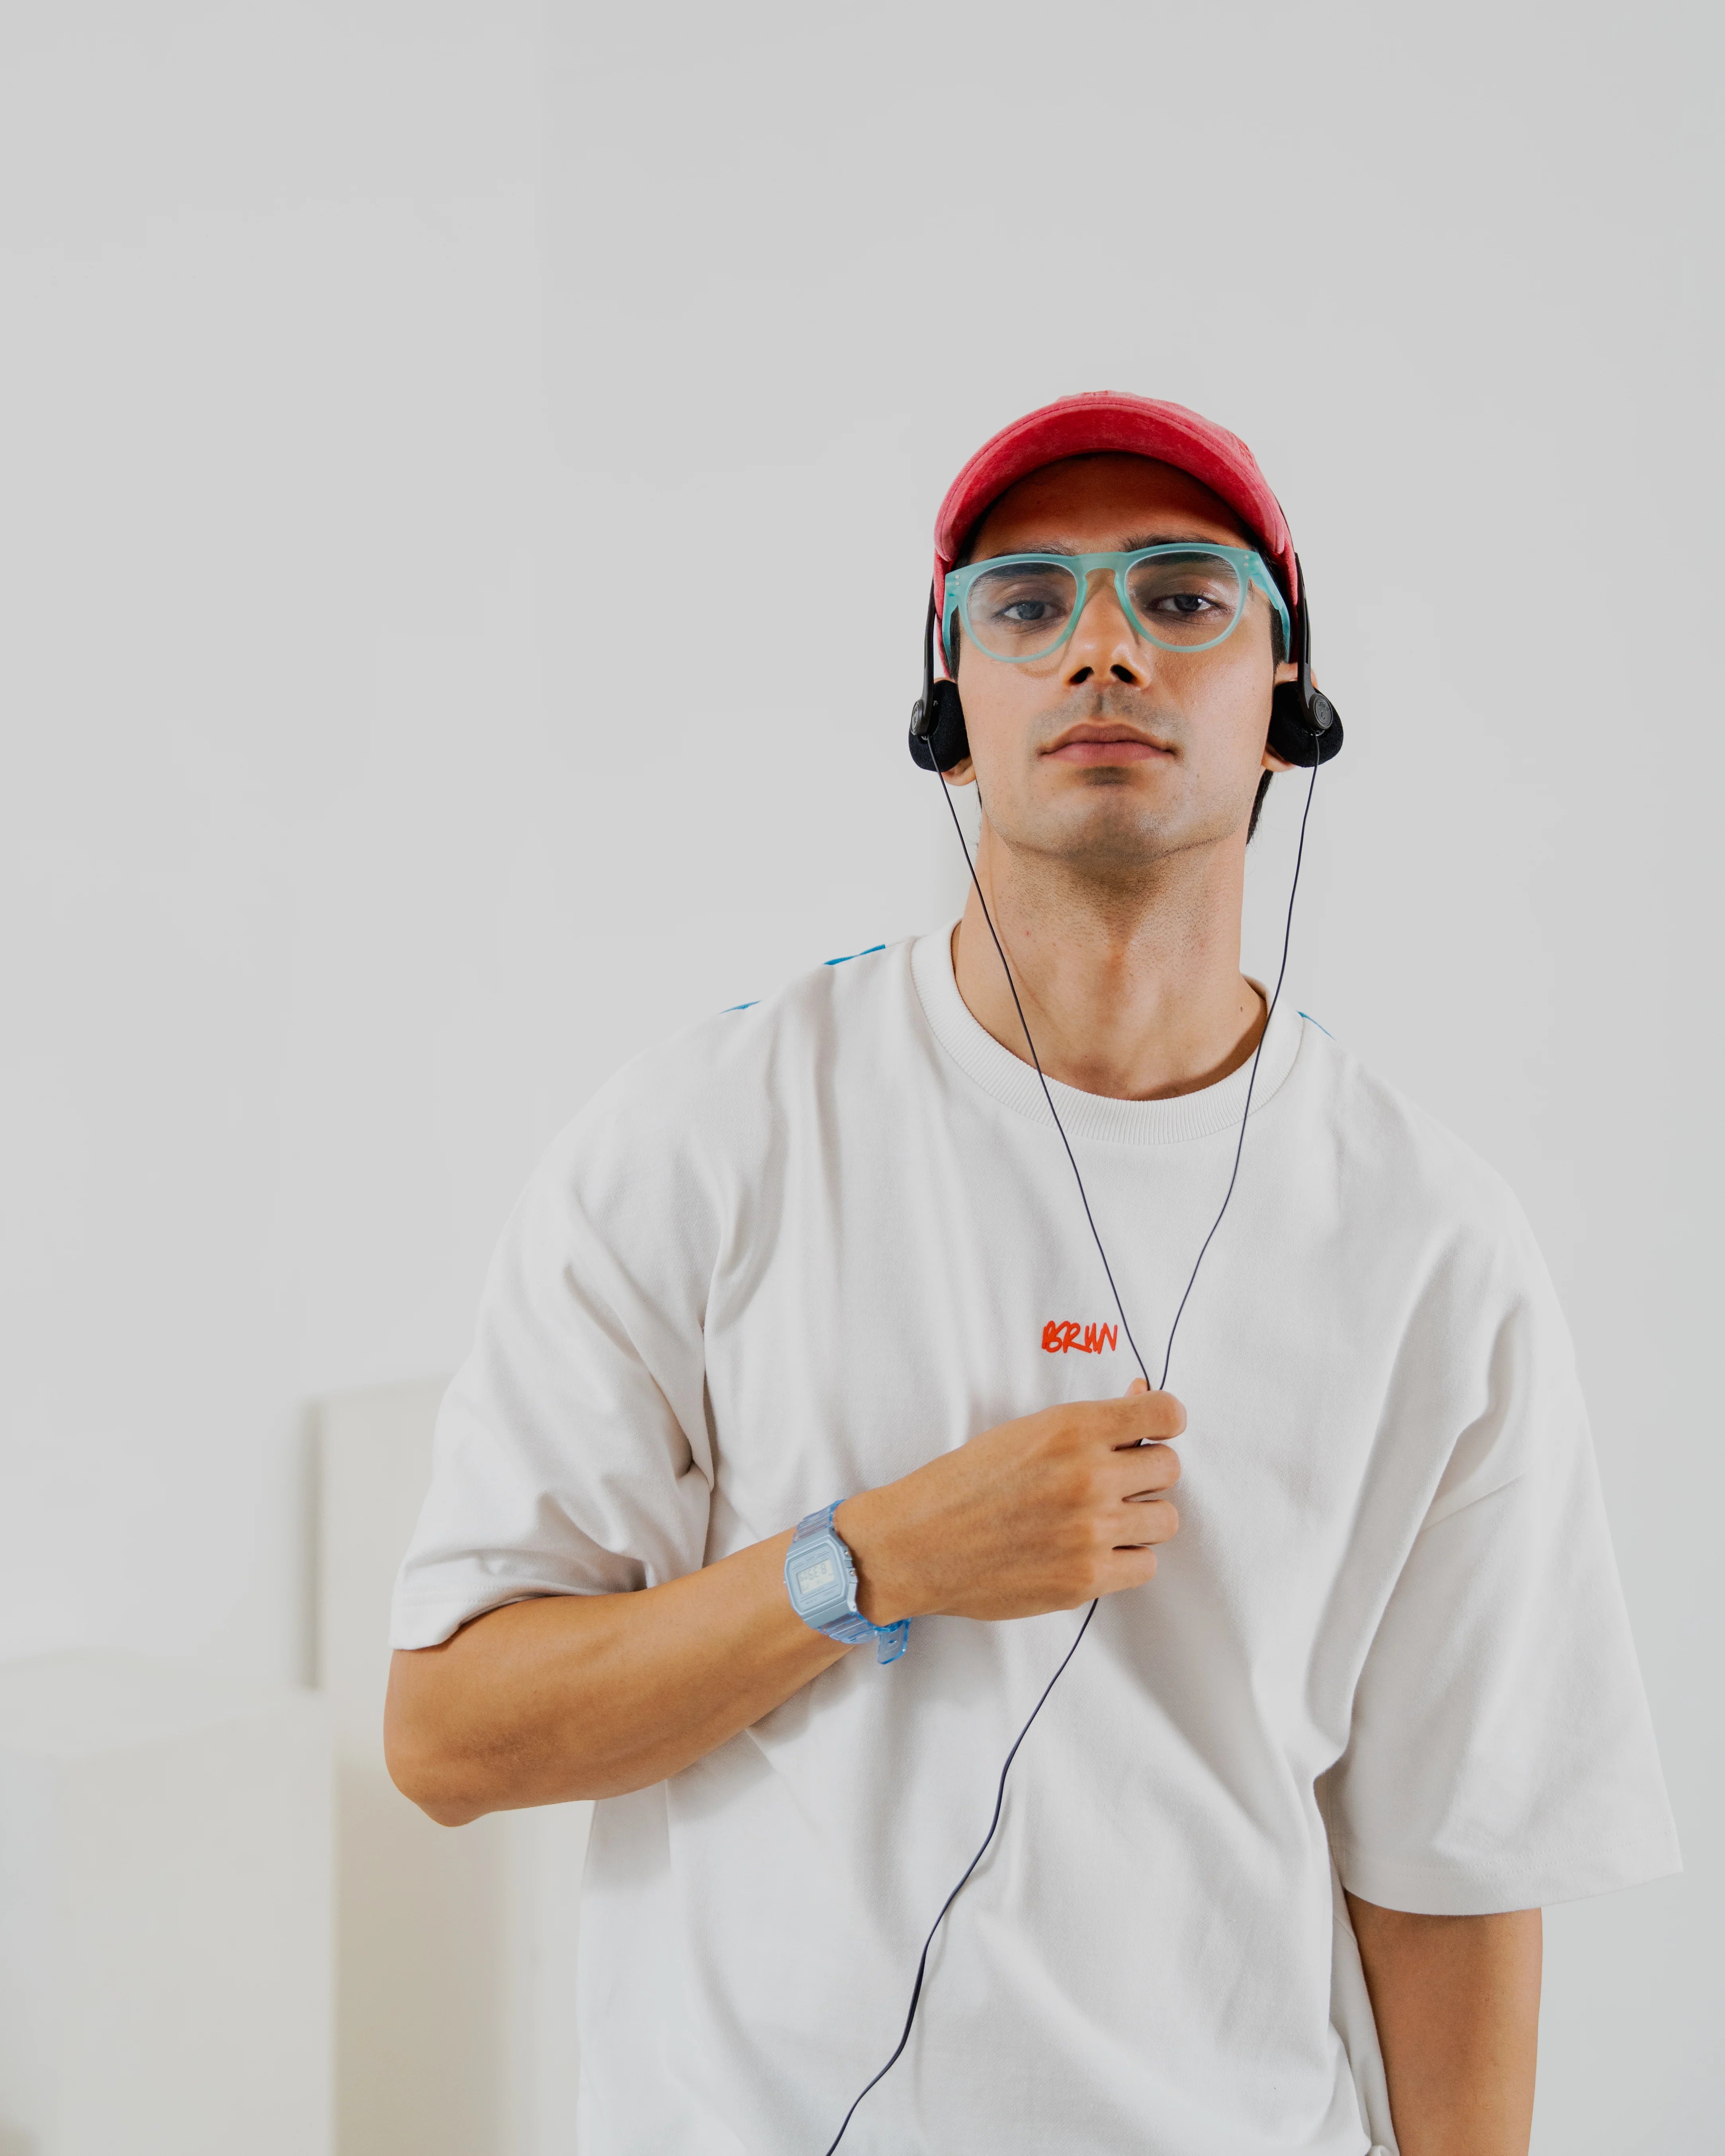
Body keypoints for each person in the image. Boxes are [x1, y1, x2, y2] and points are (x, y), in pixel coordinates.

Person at [383, 392, 1678, 2156]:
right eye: (1026, 603)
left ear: (1288, 704)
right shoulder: (708, 1135)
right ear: (951, 715)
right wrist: (873, 1560)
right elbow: (452, 1732)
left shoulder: (1434, 1244)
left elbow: (1452, 1867)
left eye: (1181, 597)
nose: (1100, 649)